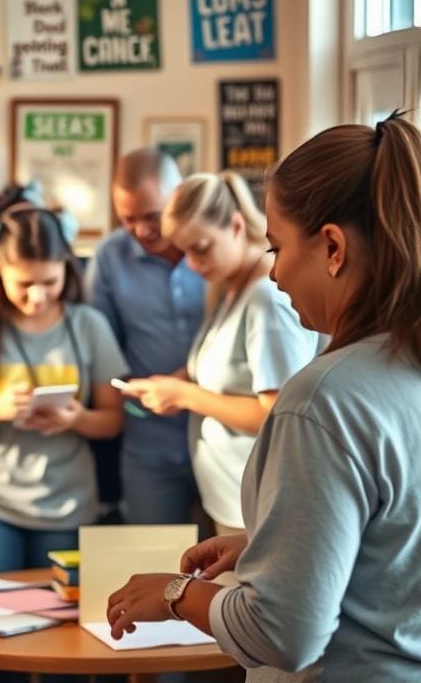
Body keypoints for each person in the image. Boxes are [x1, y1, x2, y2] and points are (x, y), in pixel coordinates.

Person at [107, 114, 421, 680]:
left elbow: (283, 631)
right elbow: (393, 538)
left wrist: (176, 595)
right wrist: (266, 544)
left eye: (276, 248)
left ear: (332, 247)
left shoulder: (322, 401)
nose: (273, 273)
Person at [0, 187, 126, 612]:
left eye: (50, 282)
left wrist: (77, 419)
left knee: (63, 633)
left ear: (68, 270)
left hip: (69, 507)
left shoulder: (89, 326)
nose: (37, 296)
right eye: (24, 284)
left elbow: (114, 420)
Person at [122, 172, 318, 534]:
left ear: (236, 225)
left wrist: (185, 395)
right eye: (185, 252)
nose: (192, 265)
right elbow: (229, 374)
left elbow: (276, 414)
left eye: (201, 248)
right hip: (231, 498)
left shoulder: (265, 300)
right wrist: (173, 383)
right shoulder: (230, 289)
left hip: (257, 506)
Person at [85, 149, 205, 525]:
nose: (141, 231)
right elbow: (100, 344)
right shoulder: (110, 257)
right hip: (147, 439)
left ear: (180, 194)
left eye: (152, 216)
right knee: (156, 560)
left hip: (222, 428)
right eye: (128, 219)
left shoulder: (213, 246)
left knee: (228, 567)